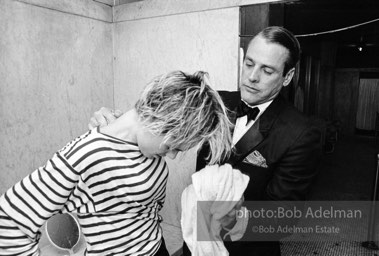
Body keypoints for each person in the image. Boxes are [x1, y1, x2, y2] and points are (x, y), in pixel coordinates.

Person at [0, 71, 234, 256]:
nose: (172, 156)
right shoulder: (84, 155)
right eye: (170, 146)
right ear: (159, 116)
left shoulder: (148, 149)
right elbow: (9, 222)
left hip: (155, 247)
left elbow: (145, 210)